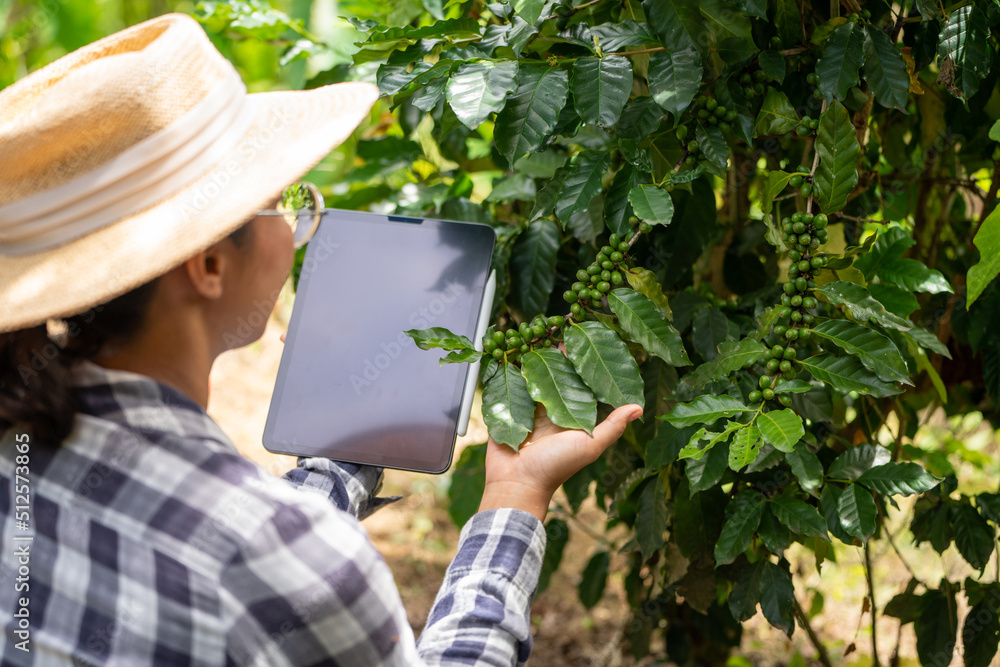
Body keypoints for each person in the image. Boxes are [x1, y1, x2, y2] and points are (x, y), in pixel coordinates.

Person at [0, 14, 642, 666]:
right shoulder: (296, 560)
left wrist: (347, 447)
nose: (303, 220)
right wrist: (515, 495)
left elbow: (210, 542)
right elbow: (264, 563)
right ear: (210, 265)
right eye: (287, 200)